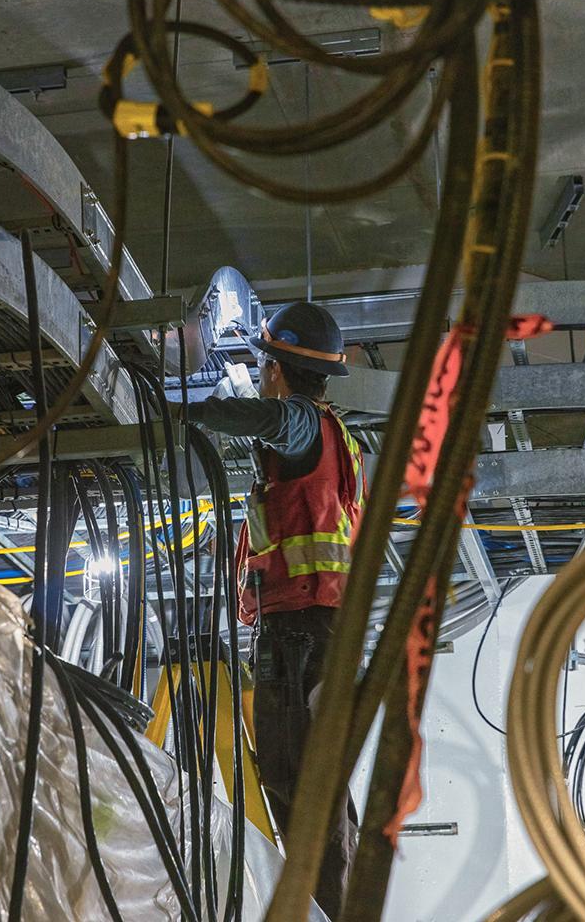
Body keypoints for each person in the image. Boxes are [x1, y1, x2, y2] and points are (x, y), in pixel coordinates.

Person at [179, 301, 364, 921]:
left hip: (300, 635)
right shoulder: (337, 438)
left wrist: (183, 406)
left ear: (277, 367)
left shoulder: (302, 423)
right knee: (323, 786)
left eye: (263, 363)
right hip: (324, 630)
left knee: (297, 784)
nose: (260, 372)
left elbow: (260, 419)